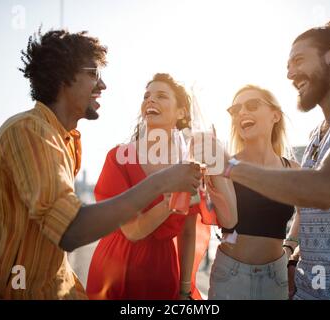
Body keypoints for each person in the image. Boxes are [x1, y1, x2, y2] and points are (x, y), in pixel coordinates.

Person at [0, 31, 201, 299]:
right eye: (94, 74)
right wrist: (164, 182)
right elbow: (70, 230)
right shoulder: (29, 132)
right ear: (64, 78)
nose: (103, 85)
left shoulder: (64, 139)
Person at [206, 18, 330, 299]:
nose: (290, 74)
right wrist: (293, 253)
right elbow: (308, 210)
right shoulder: (316, 136)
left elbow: (325, 188)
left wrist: (230, 167)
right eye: (288, 66)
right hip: (308, 291)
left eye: (298, 60)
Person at [86, 73, 237, 300]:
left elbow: (188, 231)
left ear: (181, 113)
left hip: (163, 272)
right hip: (114, 269)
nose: (150, 100)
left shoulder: (190, 165)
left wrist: (185, 288)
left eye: (161, 96)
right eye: (146, 96)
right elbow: (133, 231)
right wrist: (173, 197)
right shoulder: (118, 157)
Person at [208, 85, 300, 300]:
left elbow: (306, 212)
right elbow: (227, 221)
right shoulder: (224, 166)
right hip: (230, 275)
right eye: (235, 109)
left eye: (252, 105)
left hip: (276, 276)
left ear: (275, 115)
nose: (241, 112)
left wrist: (289, 247)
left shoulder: (292, 169)